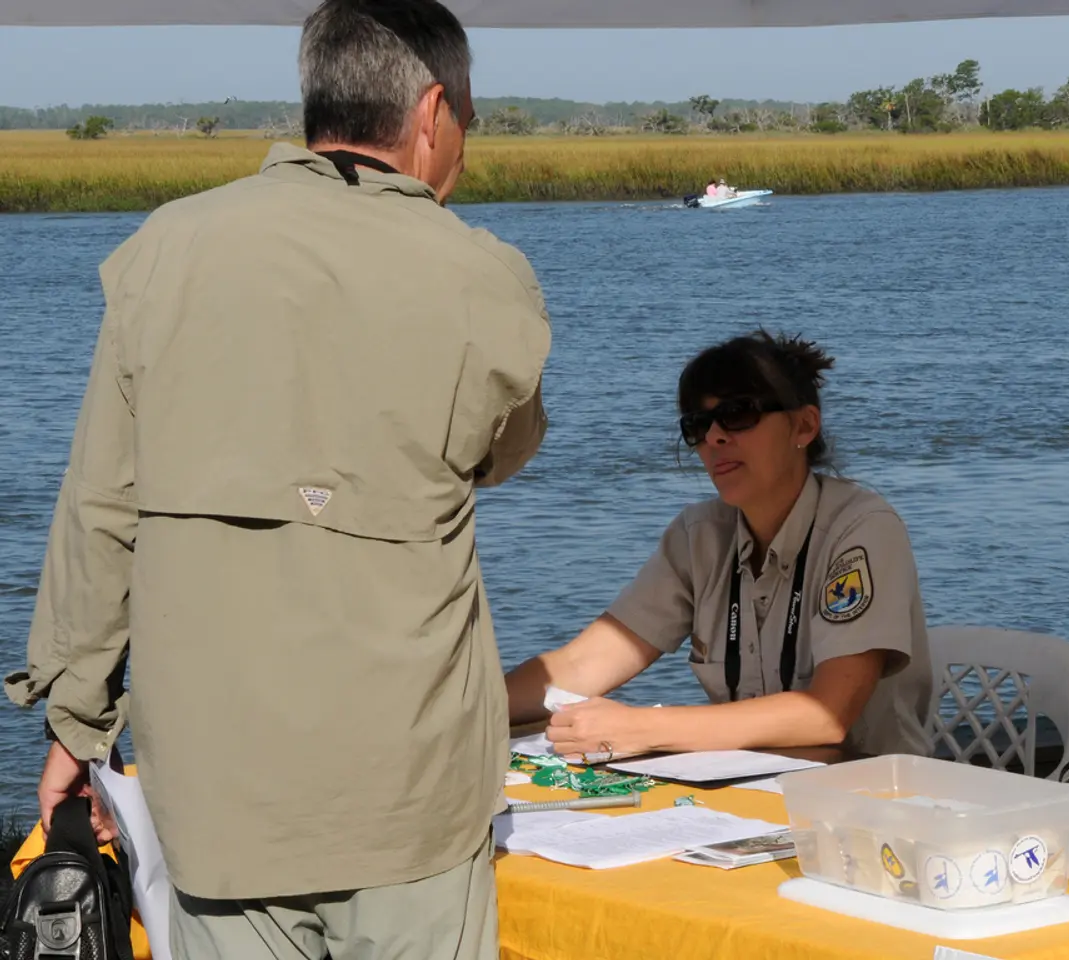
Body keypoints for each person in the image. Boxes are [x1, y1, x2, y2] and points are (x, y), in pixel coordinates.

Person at [4, 1, 550, 958]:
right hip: (411, 792)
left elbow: (100, 511)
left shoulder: (165, 250)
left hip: (219, 795)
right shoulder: (480, 273)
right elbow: (506, 451)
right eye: (469, 119)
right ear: (433, 112)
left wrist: (77, 725)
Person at [505, 331, 933, 761]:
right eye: (698, 424)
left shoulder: (862, 529)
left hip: (872, 790)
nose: (714, 438)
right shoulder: (698, 536)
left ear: (804, 425)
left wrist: (639, 728)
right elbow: (582, 664)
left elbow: (828, 715)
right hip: (748, 789)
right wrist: (473, 712)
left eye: (737, 414)